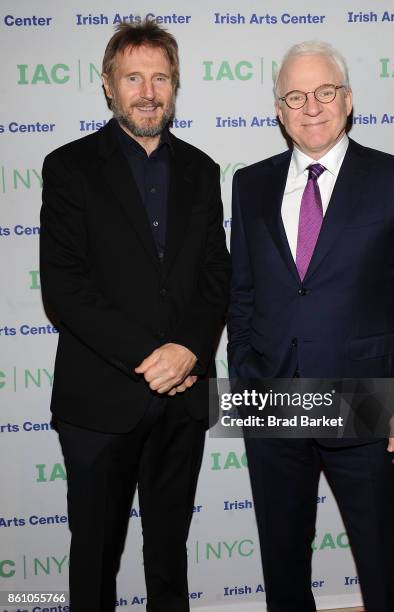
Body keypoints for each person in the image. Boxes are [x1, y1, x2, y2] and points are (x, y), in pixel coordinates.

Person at [227, 41, 394, 612]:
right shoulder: (249, 184)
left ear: (348, 100)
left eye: (325, 92)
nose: (311, 106)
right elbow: (241, 296)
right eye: (295, 96)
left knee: (382, 568)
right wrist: (246, 381)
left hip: (367, 402)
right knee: (283, 567)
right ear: (279, 110)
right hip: (271, 402)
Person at [40, 19, 230, 612]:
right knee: (94, 559)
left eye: (160, 78)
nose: (148, 91)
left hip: (185, 398)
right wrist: (153, 359)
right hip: (100, 403)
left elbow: (214, 276)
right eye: (133, 78)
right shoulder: (69, 167)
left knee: (170, 555)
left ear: (175, 85)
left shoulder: (202, 170)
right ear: (107, 86)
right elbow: (64, 288)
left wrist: (190, 350)